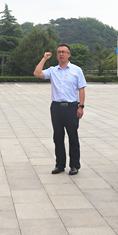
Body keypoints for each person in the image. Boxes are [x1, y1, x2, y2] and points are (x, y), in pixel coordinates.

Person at [34, 44, 86, 175]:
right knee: (58, 137)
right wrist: (44, 58)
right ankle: (60, 164)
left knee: (73, 137)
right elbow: (37, 73)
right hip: (56, 107)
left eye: (63, 52)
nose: (61, 54)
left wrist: (81, 106)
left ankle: (74, 165)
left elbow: (81, 89)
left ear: (69, 54)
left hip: (71, 107)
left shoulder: (76, 70)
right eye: (58, 52)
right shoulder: (53, 70)